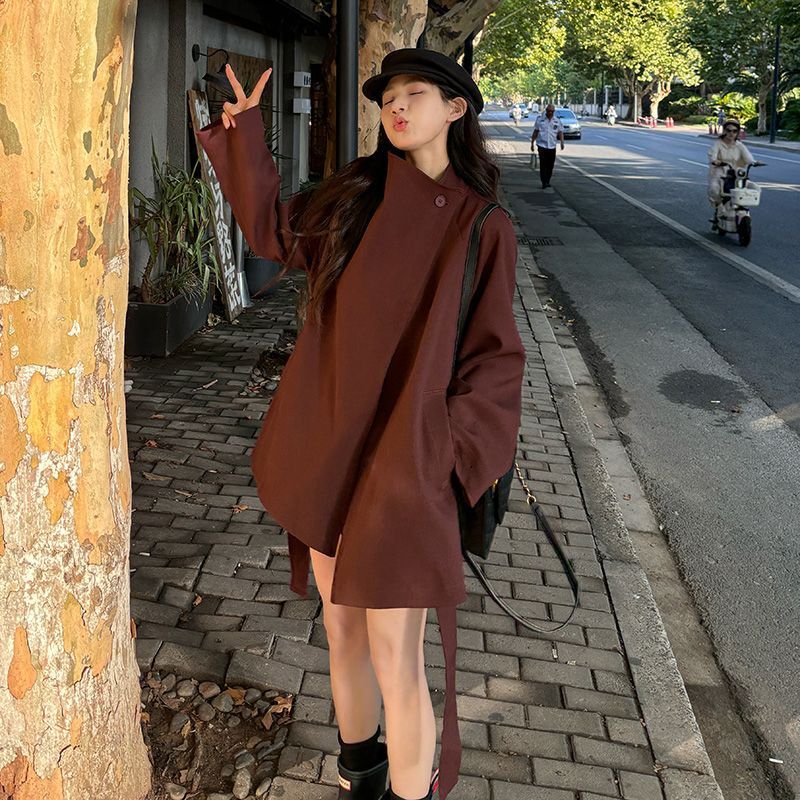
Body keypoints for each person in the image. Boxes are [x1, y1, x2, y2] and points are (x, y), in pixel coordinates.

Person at [195, 50, 524, 800]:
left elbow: (495, 361)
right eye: (389, 96)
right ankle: (360, 776)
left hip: (406, 471)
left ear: (456, 109)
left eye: (416, 93)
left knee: (395, 653)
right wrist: (244, 134)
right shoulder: (356, 197)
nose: (397, 106)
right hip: (331, 446)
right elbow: (275, 233)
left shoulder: (483, 225)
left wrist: (445, 455)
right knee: (342, 627)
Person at [707, 118, 754, 212]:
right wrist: (715, 161)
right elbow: (712, 155)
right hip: (719, 173)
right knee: (714, 189)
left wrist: (754, 162)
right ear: (724, 131)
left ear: (737, 132)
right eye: (728, 130)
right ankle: (719, 205)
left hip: (735, 174)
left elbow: (748, 158)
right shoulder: (718, 144)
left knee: (752, 188)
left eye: (734, 131)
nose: (731, 133)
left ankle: (743, 211)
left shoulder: (739, 145)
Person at [531, 104, 565, 188]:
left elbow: (560, 132)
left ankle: (547, 181)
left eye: (552, 111)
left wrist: (562, 142)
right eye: (549, 111)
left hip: (552, 146)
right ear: (546, 111)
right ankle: (544, 182)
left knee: (550, 165)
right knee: (543, 164)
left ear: (554, 112)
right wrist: (532, 143)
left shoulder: (557, 121)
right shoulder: (540, 120)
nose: (550, 113)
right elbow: (536, 131)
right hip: (542, 145)